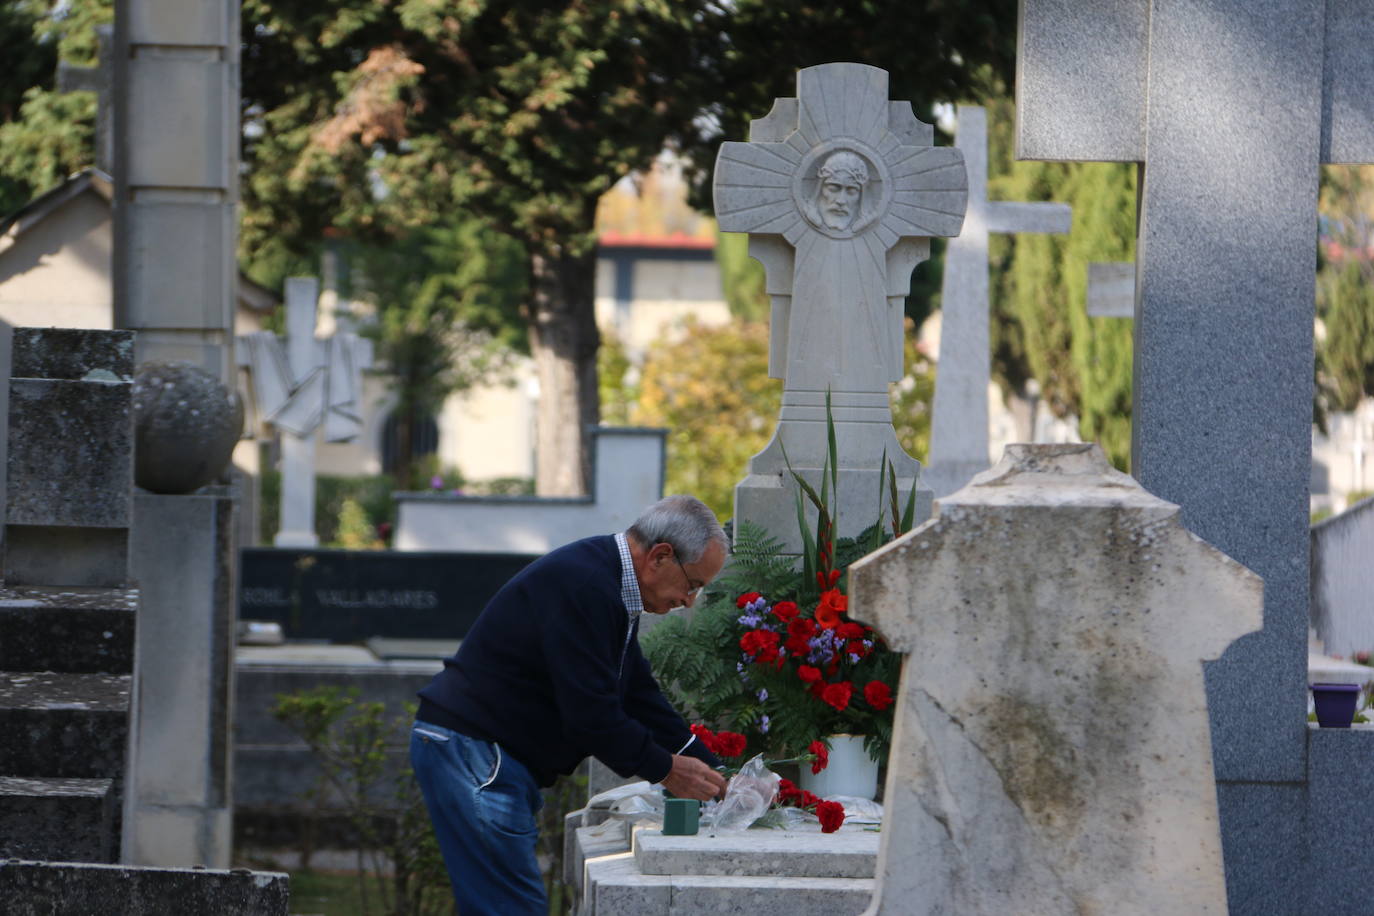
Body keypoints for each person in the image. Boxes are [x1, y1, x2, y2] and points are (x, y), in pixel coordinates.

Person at [410, 494, 730, 914]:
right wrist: (667, 770)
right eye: (692, 585)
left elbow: (635, 693)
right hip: (474, 751)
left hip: (478, 749)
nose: (689, 601)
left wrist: (717, 772)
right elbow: (591, 717)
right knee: (512, 908)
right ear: (660, 556)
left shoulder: (608, 580)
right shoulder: (587, 585)